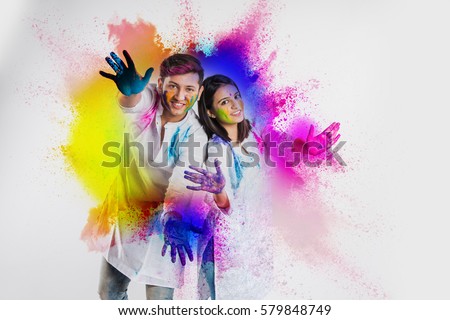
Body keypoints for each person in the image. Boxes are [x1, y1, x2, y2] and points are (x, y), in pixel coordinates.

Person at [184, 74, 341, 299]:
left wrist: (308, 149)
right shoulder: (218, 150)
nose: (235, 104)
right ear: (210, 112)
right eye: (224, 102)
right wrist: (219, 191)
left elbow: (283, 154)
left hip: (257, 243)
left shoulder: (255, 132)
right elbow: (225, 206)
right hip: (228, 252)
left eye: (236, 96)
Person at [81, 50, 215, 299]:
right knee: (108, 292)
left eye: (189, 89)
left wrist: (173, 217)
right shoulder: (150, 97)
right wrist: (129, 92)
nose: (180, 96)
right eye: (173, 86)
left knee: (158, 304)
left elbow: (182, 181)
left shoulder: (196, 133)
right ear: (161, 83)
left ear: (199, 91)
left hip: (169, 227)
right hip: (130, 217)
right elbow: (133, 103)